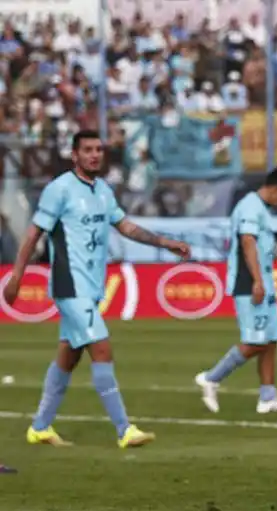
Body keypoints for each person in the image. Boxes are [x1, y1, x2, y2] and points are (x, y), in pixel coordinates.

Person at [2, 130, 191, 448]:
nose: (94, 155)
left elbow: (125, 225)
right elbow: (34, 234)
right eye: (87, 150)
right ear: (74, 155)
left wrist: (164, 242)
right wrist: (17, 276)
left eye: (99, 150)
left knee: (69, 355)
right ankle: (124, 429)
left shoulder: (102, 190)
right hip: (69, 284)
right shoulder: (59, 189)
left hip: (91, 286)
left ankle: (40, 427)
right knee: (102, 348)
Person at [195, 169, 277, 415]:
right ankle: (211, 378)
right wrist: (256, 280)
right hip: (249, 283)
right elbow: (247, 242)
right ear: (276, 188)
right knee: (255, 342)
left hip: (264, 281)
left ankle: (267, 397)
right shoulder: (250, 207)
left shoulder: (262, 209)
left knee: (271, 339)